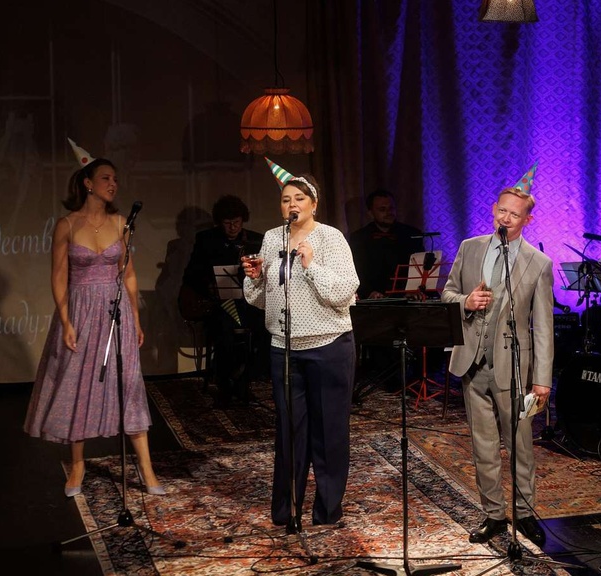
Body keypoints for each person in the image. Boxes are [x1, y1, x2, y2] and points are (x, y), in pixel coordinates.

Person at [23, 151, 163, 497]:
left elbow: (128, 274)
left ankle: (146, 467)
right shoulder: (67, 225)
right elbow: (58, 277)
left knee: (129, 384)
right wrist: (66, 320)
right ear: (88, 183)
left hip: (116, 312)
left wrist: (135, 317)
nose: (113, 184)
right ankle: (78, 465)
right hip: (81, 311)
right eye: (106, 178)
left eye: (115, 179)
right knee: (78, 384)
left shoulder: (120, 224)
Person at [242, 171, 359, 529]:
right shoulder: (271, 238)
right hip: (284, 346)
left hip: (329, 345)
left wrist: (311, 266)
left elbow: (345, 291)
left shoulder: (330, 237)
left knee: (329, 431)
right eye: (285, 200)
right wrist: (255, 278)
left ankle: (327, 509)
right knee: (289, 430)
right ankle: (287, 509)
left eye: (299, 199)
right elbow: (262, 300)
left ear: (314, 204)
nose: (291, 205)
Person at [441, 184, 554, 547]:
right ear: (493, 210)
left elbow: (543, 327)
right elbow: (447, 293)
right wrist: (466, 301)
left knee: (520, 444)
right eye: (502, 211)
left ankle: (524, 513)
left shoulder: (538, 263)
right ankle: (493, 514)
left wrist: (542, 379)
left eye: (514, 214)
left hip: (514, 369)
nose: (505, 218)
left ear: (527, 220)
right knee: (483, 446)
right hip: (472, 363)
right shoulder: (469, 247)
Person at [181, 194, 265, 407]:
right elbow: (191, 274)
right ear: (219, 222)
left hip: (248, 302)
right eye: (227, 223)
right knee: (224, 330)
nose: (233, 227)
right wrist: (210, 285)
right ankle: (225, 384)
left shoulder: (256, 240)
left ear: (243, 220)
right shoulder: (206, 240)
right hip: (219, 303)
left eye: (237, 222)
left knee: (265, 329)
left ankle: (245, 380)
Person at [348, 188, 427, 300]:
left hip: (407, 299)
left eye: (391, 208)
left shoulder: (412, 234)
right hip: (374, 301)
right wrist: (369, 292)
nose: (389, 213)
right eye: (382, 209)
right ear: (371, 213)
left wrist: (414, 290)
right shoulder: (359, 238)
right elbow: (356, 271)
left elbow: (421, 269)